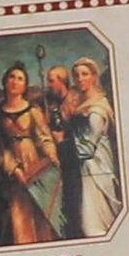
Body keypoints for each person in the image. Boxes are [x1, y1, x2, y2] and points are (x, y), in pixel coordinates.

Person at [0, 64, 63, 246]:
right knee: (20, 214)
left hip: (35, 165)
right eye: (12, 77)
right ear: (5, 82)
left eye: (20, 79)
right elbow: (0, 148)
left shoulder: (32, 110)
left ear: (24, 86)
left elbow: (44, 138)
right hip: (15, 168)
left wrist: (52, 155)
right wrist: (14, 169)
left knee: (41, 211)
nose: (15, 82)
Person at [65, 56, 122, 238]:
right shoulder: (82, 105)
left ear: (94, 76)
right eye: (76, 75)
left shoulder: (97, 110)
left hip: (96, 171)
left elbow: (87, 150)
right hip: (85, 171)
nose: (80, 79)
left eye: (84, 74)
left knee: (93, 227)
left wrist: (62, 145)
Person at [44, 65, 83, 238]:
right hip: (62, 159)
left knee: (76, 202)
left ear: (62, 81)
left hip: (76, 159)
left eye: (51, 81)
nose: (49, 85)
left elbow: (80, 130)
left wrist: (63, 136)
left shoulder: (75, 100)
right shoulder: (53, 104)